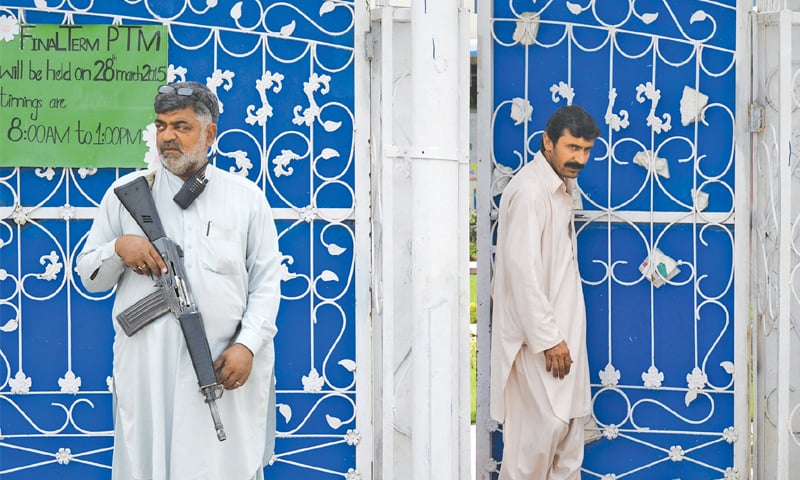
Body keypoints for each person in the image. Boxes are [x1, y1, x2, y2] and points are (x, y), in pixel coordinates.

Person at [76, 81, 281, 480]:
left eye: (181, 126)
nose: (167, 136)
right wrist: (119, 247)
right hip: (149, 371)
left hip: (221, 366)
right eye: (161, 125)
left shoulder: (246, 198)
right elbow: (89, 277)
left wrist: (248, 345)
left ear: (210, 134)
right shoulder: (125, 195)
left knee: (222, 464)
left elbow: (267, 283)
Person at [490, 105, 600, 480]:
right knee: (532, 450)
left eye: (585, 150)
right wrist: (549, 339)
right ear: (547, 142)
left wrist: (561, 337)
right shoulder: (529, 191)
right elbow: (522, 273)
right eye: (572, 148)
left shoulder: (559, 190)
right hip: (541, 344)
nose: (579, 159)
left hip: (565, 338)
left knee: (567, 446)